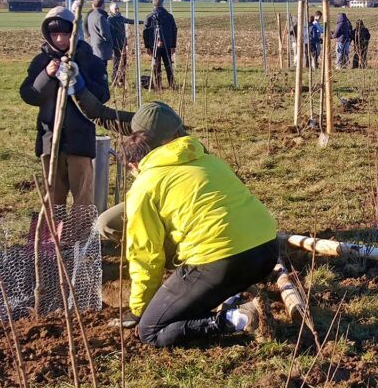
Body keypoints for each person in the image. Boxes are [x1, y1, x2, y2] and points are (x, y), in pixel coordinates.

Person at [113, 103, 278, 347]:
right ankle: (231, 299)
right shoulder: (207, 160)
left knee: (151, 331)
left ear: (134, 165)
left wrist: (140, 309)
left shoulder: (144, 185)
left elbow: (145, 254)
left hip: (221, 261)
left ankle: (237, 319)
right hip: (266, 250)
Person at [20, 7, 110, 208]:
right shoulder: (41, 61)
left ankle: (80, 238)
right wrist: (46, 75)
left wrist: (79, 80)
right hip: (50, 140)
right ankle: (54, 237)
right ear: (47, 34)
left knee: (82, 199)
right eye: (55, 34)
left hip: (80, 140)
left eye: (66, 34)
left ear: (75, 32)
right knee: (52, 197)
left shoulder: (91, 60)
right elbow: (29, 95)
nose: (60, 39)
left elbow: (103, 95)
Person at [143, 0, 178, 89]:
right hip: (167, 44)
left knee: (156, 65)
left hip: (154, 45)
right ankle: (171, 84)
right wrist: (173, 45)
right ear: (162, 4)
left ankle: (158, 85)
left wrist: (147, 46)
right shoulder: (169, 17)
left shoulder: (149, 17)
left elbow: (145, 32)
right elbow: (174, 30)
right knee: (168, 64)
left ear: (153, 4)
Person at [108, 0, 138, 86]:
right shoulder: (110, 19)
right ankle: (114, 80)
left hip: (123, 43)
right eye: (115, 9)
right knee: (116, 63)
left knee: (124, 62)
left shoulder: (120, 18)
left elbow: (129, 21)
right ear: (111, 9)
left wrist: (141, 22)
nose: (117, 10)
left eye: (118, 8)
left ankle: (122, 79)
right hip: (115, 44)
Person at [85, 0, 113, 74]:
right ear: (102, 5)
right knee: (103, 68)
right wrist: (110, 41)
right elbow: (105, 33)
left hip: (94, 44)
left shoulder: (91, 15)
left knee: (97, 67)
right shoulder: (100, 17)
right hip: (102, 47)